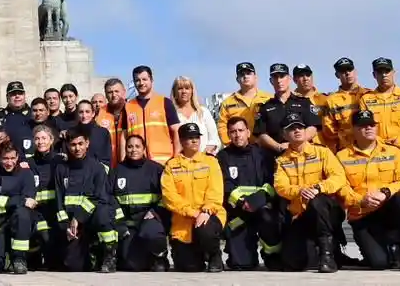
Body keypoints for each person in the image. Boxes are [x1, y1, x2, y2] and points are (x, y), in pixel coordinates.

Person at [336, 108, 400, 271]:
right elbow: (341, 188)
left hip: (388, 211)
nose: (368, 128)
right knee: (379, 264)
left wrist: (385, 192)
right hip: (362, 216)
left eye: (371, 125)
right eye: (362, 126)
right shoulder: (342, 157)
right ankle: (388, 251)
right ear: (353, 129)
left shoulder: (393, 152)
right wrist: (360, 200)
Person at [273, 112, 346, 273]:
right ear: (284, 134)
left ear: (306, 131)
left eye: (300, 127)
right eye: (291, 129)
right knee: (293, 263)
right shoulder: (282, 161)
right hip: (301, 214)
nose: (297, 131)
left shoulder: (323, 152)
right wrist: (300, 191)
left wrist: (318, 189)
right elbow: (280, 186)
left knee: (317, 201)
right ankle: (326, 250)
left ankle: (327, 255)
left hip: (327, 211)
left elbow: (339, 177)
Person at [218, 116, 281, 271]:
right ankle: (239, 254)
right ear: (228, 134)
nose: (237, 135)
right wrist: (241, 202)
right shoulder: (223, 157)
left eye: (240, 130)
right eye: (232, 132)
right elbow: (225, 185)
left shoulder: (263, 155)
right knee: (242, 264)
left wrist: (257, 200)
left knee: (269, 218)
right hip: (239, 212)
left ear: (248, 132)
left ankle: (271, 255)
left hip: (261, 207)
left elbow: (272, 183)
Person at [161, 122, 225, 273]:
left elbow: (215, 191)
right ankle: (197, 254)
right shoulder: (171, 166)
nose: (194, 141)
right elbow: (169, 197)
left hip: (209, 215)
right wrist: (192, 212)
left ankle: (214, 255)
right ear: (182, 141)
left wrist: (206, 211)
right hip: (183, 222)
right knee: (189, 267)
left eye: (197, 137)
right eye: (190, 138)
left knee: (205, 230)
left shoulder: (211, 162)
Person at [54, 126, 117, 272]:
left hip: (91, 218)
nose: (77, 148)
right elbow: (59, 200)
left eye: (80, 144)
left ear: (87, 143)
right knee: (72, 265)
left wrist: (78, 217)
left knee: (103, 214)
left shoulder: (97, 168)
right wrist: (66, 226)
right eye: (73, 145)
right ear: (68, 145)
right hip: (73, 225)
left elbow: (98, 197)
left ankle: (109, 254)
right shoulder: (61, 169)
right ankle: (91, 255)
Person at [110, 133, 169, 272]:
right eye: (129, 146)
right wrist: (120, 223)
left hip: (150, 219)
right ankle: (144, 258)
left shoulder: (156, 170)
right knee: (131, 266)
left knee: (152, 233)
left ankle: (159, 257)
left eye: (137, 146)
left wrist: (155, 212)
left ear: (144, 149)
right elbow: (110, 197)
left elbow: (166, 196)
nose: (133, 150)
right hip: (128, 224)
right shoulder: (118, 170)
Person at [0, 142, 36, 275]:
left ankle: (19, 258)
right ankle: (6, 258)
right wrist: (20, 200)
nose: (9, 163)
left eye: (12, 158)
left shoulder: (26, 174)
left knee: (22, 213)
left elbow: (30, 200)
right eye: (5, 158)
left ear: (17, 157)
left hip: (20, 224)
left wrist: (9, 202)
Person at [255, 62, 322, 154]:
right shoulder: (265, 107)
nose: (279, 80)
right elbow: (261, 134)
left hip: (303, 154)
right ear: (271, 81)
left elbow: (313, 128)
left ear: (289, 79)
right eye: (275, 77)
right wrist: (278, 147)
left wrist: (295, 143)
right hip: (276, 155)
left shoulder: (304, 102)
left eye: (282, 76)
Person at [124, 66, 181, 165]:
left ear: (151, 80)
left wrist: (176, 158)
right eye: (137, 80)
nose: (141, 83)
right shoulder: (128, 106)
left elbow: (176, 131)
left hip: (164, 162)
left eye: (144, 79)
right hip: (138, 163)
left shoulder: (164, 102)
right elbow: (124, 137)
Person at [359, 57, 400, 149]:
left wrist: (399, 141)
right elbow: (364, 126)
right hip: (379, 150)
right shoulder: (366, 99)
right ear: (374, 75)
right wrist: (382, 143)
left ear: (393, 73)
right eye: (380, 72)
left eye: (387, 71)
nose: (384, 75)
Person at [27, 124, 62, 271]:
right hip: (35, 211)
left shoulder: (60, 161)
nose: (40, 142)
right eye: (37, 138)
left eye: (44, 138)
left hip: (55, 209)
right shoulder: (27, 163)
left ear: (51, 140)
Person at [218, 62, 271, 147]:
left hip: (266, 147)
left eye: (249, 73)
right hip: (239, 149)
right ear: (237, 79)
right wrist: (230, 144)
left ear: (255, 77)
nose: (245, 76)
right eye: (242, 74)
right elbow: (222, 125)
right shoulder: (228, 103)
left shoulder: (269, 98)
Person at [323, 57, 368, 152]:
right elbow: (329, 128)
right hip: (346, 150)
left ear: (355, 71)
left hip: (369, 147)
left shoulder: (369, 95)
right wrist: (345, 139)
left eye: (350, 69)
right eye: (343, 71)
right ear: (337, 75)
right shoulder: (331, 100)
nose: (347, 73)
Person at [171, 76, 219, 155]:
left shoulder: (203, 112)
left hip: (205, 160)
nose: (184, 91)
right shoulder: (172, 115)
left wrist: (204, 154)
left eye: (187, 88)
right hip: (181, 161)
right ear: (175, 92)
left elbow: (214, 139)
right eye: (180, 88)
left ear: (192, 91)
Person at [93, 77, 129, 167]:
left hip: (129, 165)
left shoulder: (132, 110)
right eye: (110, 92)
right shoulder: (100, 113)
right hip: (107, 166)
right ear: (105, 94)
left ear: (124, 92)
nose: (113, 95)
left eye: (117, 91)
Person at [0, 81, 33, 158]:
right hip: (6, 160)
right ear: (7, 97)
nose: (17, 96)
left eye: (20, 93)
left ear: (24, 95)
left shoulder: (33, 114)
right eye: (13, 94)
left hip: (30, 160)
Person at [71, 99, 113, 167]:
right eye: (81, 112)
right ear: (77, 114)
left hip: (97, 173)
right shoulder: (71, 132)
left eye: (87, 112)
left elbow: (106, 159)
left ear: (93, 114)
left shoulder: (103, 133)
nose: (84, 116)